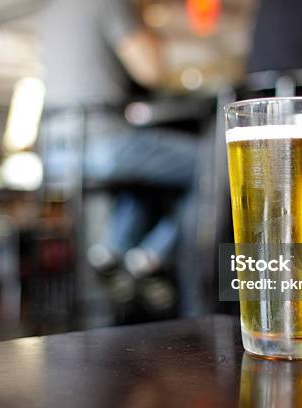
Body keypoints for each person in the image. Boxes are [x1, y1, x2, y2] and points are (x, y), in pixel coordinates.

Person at [38, 1, 197, 292]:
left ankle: (112, 249)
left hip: (55, 148)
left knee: (144, 170)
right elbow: (152, 71)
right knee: (211, 163)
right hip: (102, 140)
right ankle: (153, 255)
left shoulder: (52, 7)